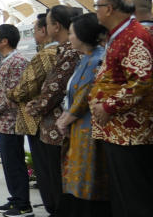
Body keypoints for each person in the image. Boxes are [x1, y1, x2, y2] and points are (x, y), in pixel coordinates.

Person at [87, 0, 153, 217]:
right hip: (118, 131)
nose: (96, 12)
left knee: (133, 196)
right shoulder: (120, 35)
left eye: (97, 7)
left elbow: (142, 80)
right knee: (122, 194)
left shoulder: (134, 36)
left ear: (109, 9)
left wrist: (107, 106)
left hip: (130, 133)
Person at [24, 5, 81, 216]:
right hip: (52, 126)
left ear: (56, 26)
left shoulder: (70, 53)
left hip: (57, 128)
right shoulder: (63, 51)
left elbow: (55, 89)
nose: (45, 29)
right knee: (52, 177)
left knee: (56, 178)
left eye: (47, 24)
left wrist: (36, 105)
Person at [55, 13, 110, 217]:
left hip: (88, 128)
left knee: (87, 177)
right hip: (79, 127)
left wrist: (66, 119)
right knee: (78, 176)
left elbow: (86, 94)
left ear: (82, 34)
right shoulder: (86, 58)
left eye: (71, 33)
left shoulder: (96, 60)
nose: (69, 37)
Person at [9, 12, 60, 216]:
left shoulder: (46, 55)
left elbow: (26, 86)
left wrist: (10, 93)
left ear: (44, 30)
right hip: (56, 121)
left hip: (40, 121)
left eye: (35, 30)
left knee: (47, 171)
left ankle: (53, 209)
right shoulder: (64, 52)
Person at [0, 23, 32, 217]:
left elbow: (15, 92)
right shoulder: (8, 60)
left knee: (14, 162)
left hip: (11, 121)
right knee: (9, 162)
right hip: (4, 122)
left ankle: (23, 204)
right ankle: (15, 199)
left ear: (4, 41)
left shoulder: (18, 62)